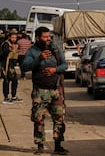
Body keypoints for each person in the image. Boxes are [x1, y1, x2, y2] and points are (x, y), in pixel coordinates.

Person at [22, 26, 68, 155]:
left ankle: (58, 145)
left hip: (55, 90)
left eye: (49, 36)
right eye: (45, 37)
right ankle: (40, 146)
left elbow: (65, 65)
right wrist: (39, 58)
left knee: (59, 118)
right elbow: (25, 66)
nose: (48, 39)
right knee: (38, 118)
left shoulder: (55, 50)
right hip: (40, 91)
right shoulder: (32, 51)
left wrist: (55, 70)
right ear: (37, 38)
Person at [1, 32, 21, 104]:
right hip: (6, 65)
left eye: (15, 38)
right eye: (12, 38)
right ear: (9, 37)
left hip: (11, 66)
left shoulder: (14, 44)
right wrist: (9, 50)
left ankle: (13, 96)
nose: (14, 39)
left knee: (14, 80)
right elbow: (2, 55)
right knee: (6, 81)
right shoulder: (6, 44)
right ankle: (6, 97)